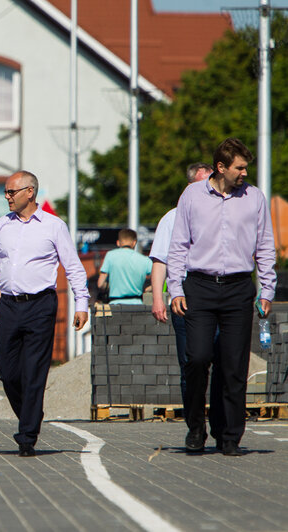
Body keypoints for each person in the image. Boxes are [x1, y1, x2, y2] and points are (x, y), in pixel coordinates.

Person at [167, 138, 276, 456]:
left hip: (238, 288)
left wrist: (266, 289)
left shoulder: (254, 197)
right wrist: (175, 288)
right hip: (199, 287)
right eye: (240, 167)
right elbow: (178, 245)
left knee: (233, 365)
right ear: (221, 167)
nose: (245, 173)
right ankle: (196, 426)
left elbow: (265, 245)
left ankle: (228, 435)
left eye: (246, 167)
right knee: (197, 358)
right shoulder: (192, 196)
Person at [0, 171, 89, 457]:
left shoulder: (53, 226)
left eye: (11, 192)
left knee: (33, 372)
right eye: (5, 192)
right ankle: (31, 414)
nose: (7, 197)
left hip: (41, 305)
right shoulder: (1, 226)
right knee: (7, 369)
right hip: (8, 305)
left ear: (30, 192)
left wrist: (81, 304)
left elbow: (74, 267)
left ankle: (27, 434)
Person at [149, 163, 222, 429]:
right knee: (191, 365)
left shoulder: (221, 213)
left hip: (217, 297)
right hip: (183, 301)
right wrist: (159, 298)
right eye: (203, 183)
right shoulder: (172, 218)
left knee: (222, 363)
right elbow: (160, 261)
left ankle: (220, 422)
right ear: (189, 187)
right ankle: (195, 424)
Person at [97, 229, 152, 304]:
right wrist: (146, 290)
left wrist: (111, 286)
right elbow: (159, 281)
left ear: (118, 243)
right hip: (137, 304)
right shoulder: (145, 260)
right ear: (134, 242)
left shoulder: (110, 256)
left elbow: (100, 284)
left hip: (115, 304)